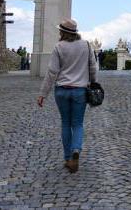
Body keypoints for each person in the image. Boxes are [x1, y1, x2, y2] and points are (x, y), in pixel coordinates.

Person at [37, 18, 97, 173]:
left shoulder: (59, 47)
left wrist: (43, 93)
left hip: (62, 90)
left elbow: (52, 72)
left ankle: (68, 158)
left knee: (65, 123)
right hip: (80, 91)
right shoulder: (86, 45)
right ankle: (76, 149)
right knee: (77, 124)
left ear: (63, 32)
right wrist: (93, 83)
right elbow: (92, 66)